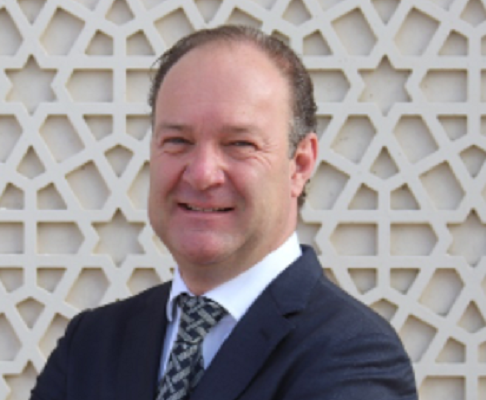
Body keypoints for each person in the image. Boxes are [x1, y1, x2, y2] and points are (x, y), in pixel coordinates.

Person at [30, 25, 417, 400]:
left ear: (299, 165)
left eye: (239, 144)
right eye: (178, 141)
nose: (201, 174)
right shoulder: (91, 344)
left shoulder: (355, 355)